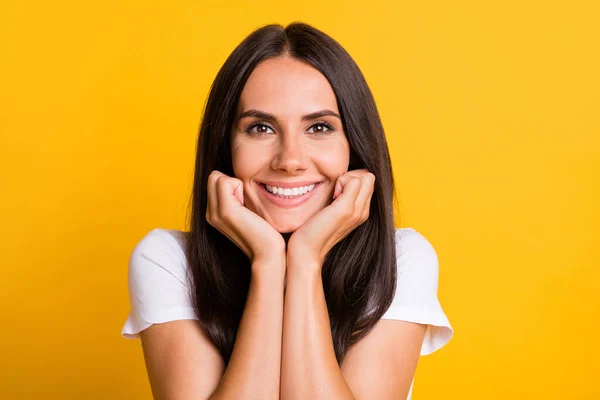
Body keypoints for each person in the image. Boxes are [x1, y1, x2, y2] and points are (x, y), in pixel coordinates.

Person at [121, 22, 453, 400]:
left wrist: (306, 259)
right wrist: (267, 262)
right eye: (261, 128)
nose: (290, 160)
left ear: (354, 145)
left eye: (319, 127)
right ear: (226, 146)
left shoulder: (401, 260)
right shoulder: (167, 260)